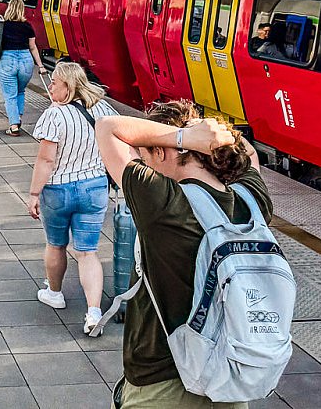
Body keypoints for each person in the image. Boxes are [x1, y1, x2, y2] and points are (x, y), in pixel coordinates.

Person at [94, 101, 264, 409]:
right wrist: (203, 138)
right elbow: (249, 153)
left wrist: (181, 137)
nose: (142, 164)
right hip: (229, 378)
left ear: (161, 152)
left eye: (145, 156)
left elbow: (107, 126)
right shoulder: (251, 201)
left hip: (162, 385)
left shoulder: (163, 203)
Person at [27, 62, 121, 335]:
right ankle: (93, 312)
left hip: (58, 190)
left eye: (55, 82)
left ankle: (54, 293)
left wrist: (34, 194)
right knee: (87, 252)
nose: (51, 85)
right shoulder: (103, 109)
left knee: (56, 244)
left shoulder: (54, 116)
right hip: (94, 188)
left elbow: (46, 159)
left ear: (68, 86)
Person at [0, 0, 48, 136]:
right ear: (21, 10)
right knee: (20, 91)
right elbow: (33, 47)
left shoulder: (2, 25)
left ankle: (14, 126)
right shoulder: (28, 26)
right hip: (26, 61)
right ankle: (18, 118)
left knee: (10, 95)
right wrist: (41, 66)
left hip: (7, 60)